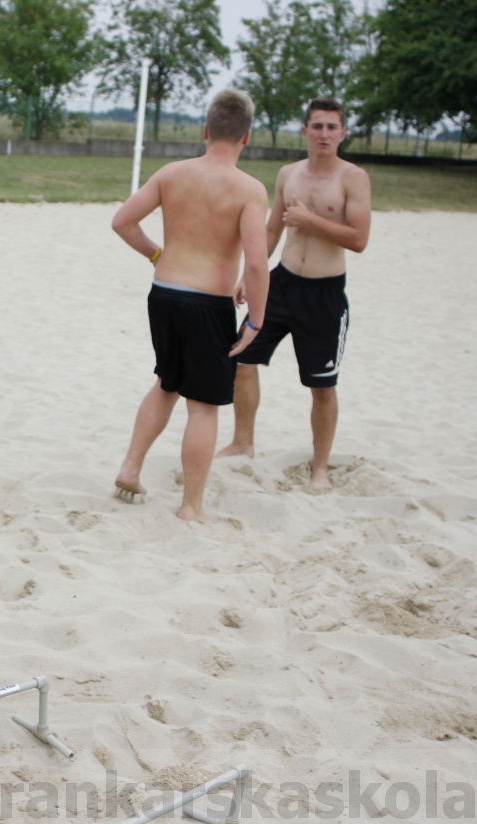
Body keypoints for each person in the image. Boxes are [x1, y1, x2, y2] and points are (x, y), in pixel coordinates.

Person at [111, 89, 269, 522]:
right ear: (246, 137)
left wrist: (157, 255)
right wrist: (255, 319)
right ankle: (192, 506)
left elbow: (122, 221)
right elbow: (257, 263)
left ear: (205, 130)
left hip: (164, 294)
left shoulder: (172, 173)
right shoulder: (249, 189)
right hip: (208, 303)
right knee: (203, 406)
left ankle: (130, 466)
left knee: (167, 382)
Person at [217, 97, 372, 489]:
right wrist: (249, 276)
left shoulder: (353, 178)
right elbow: (271, 230)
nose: (324, 134)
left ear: (342, 133)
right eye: (316, 126)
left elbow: (358, 239)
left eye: (331, 127)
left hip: (324, 294)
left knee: (321, 385)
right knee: (241, 357)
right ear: (304, 131)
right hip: (281, 283)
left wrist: (310, 219)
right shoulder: (289, 174)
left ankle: (320, 467)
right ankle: (242, 442)